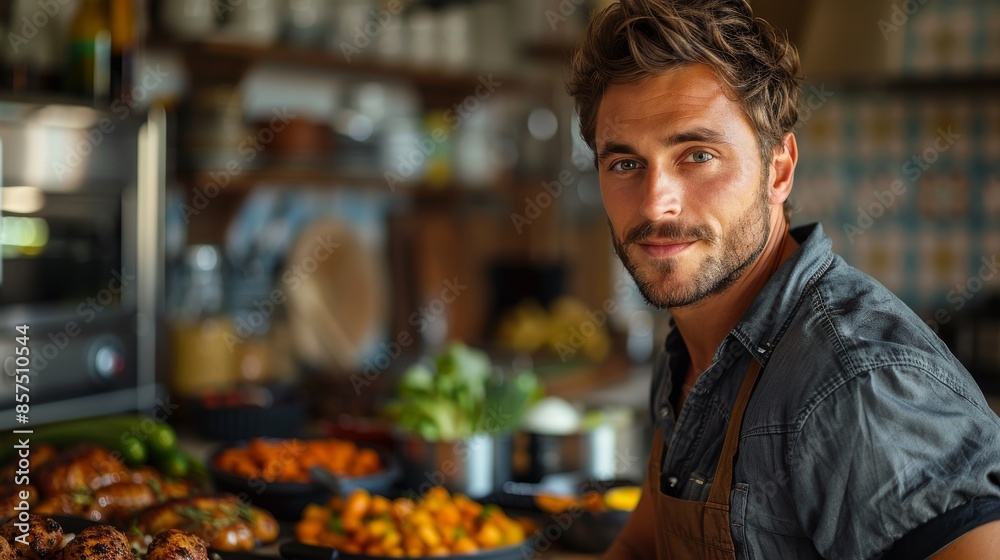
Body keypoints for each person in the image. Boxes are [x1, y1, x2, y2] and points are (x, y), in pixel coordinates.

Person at [565, 0, 1000, 558]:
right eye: (624, 163)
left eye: (697, 155)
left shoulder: (855, 383)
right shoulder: (692, 350)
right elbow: (641, 546)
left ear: (779, 170)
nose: (656, 203)